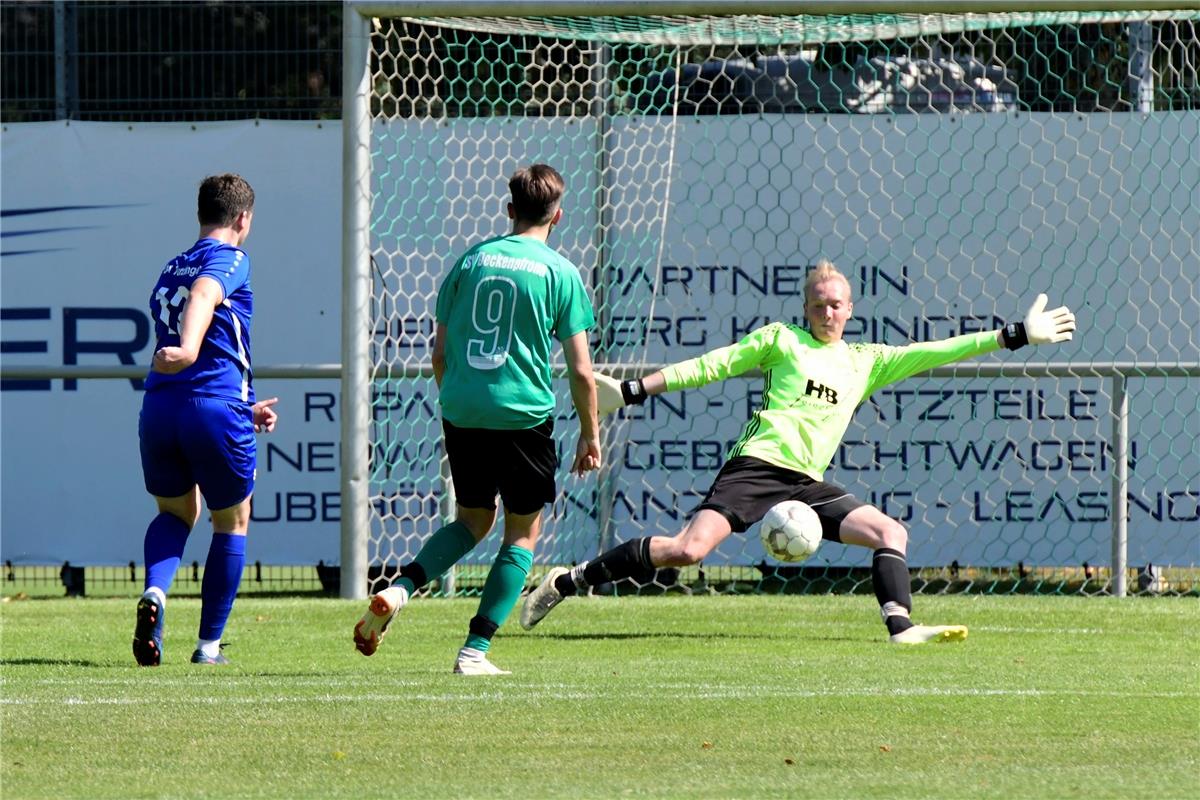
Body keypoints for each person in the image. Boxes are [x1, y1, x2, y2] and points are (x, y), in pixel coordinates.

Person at [521, 260, 1076, 644]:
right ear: (805, 309)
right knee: (688, 551)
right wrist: (639, 389)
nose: (827, 313)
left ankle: (903, 629)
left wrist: (1013, 336)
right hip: (757, 468)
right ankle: (568, 581)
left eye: (835, 305)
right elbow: (713, 364)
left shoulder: (867, 360)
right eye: (818, 306)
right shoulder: (781, 341)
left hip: (807, 483)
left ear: (851, 308)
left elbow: (935, 351)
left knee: (890, 533)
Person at [353, 163, 601, 675]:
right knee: (521, 537)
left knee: (470, 519)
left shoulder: (472, 260)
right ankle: (475, 651)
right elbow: (581, 370)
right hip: (522, 416)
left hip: (462, 409)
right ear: (559, 216)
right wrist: (590, 435)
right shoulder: (560, 272)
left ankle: (399, 590)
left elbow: (439, 351)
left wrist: (458, 403)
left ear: (510, 211)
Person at [133, 173, 279, 667]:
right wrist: (191, 349)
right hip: (211, 408)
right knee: (232, 521)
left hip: (161, 409)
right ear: (243, 218)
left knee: (175, 514)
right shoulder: (231, 258)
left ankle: (155, 594)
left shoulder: (171, 265)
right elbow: (204, 296)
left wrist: (244, 405)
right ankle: (208, 647)